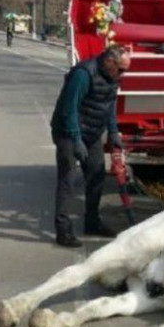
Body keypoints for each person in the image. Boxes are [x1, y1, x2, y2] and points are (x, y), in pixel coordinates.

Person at [50, 45, 131, 248]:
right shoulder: (84, 74)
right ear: (109, 62)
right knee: (68, 179)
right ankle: (63, 230)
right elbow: (69, 109)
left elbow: (109, 105)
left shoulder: (112, 77)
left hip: (92, 132)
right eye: (121, 69)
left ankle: (92, 222)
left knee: (96, 175)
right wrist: (76, 140)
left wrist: (113, 132)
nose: (123, 74)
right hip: (68, 131)